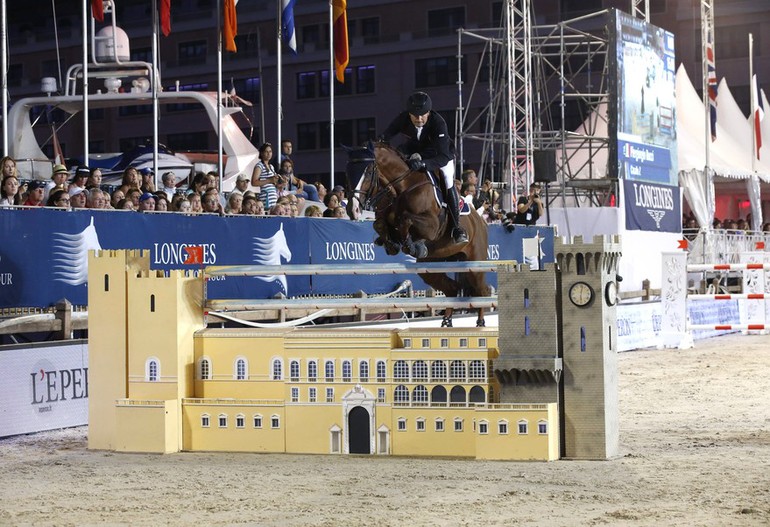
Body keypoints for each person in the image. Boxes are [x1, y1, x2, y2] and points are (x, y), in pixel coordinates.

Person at [380, 91, 468, 243]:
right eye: (415, 115)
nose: (419, 119)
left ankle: (456, 227)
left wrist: (424, 164)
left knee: (447, 181)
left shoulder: (438, 123)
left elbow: (442, 156)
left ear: (428, 113)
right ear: (409, 114)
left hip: (440, 154)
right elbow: (386, 135)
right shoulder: (403, 118)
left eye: (422, 115)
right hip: (416, 150)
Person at [250, 142, 282, 209]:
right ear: (261, 153)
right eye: (266, 152)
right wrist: (269, 180)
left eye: (270, 151)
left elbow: (273, 183)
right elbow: (254, 182)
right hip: (266, 198)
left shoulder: (271, 166)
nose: (269, 154)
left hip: (273, 198)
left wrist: (282, 183)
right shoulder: (259, 166)